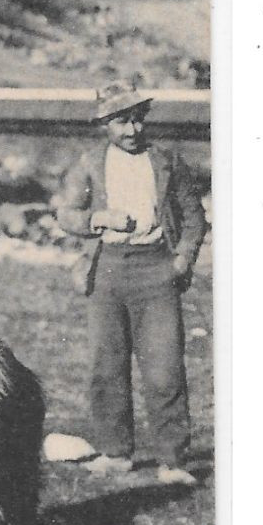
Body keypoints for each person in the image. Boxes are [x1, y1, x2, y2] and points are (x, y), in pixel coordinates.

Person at [54, 80, 210, 486]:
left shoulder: (166, 161)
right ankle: (115, 453)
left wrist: (181, 259)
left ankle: (173, 461)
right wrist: (97, 219)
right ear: (105, 123)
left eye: (138, 120)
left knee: (164, 370)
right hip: (106, 270)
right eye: (122, 121)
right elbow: (66, 214)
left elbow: (194, 219)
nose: (132, 130)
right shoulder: (89, 163)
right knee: (106, 367)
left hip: (156, 270)